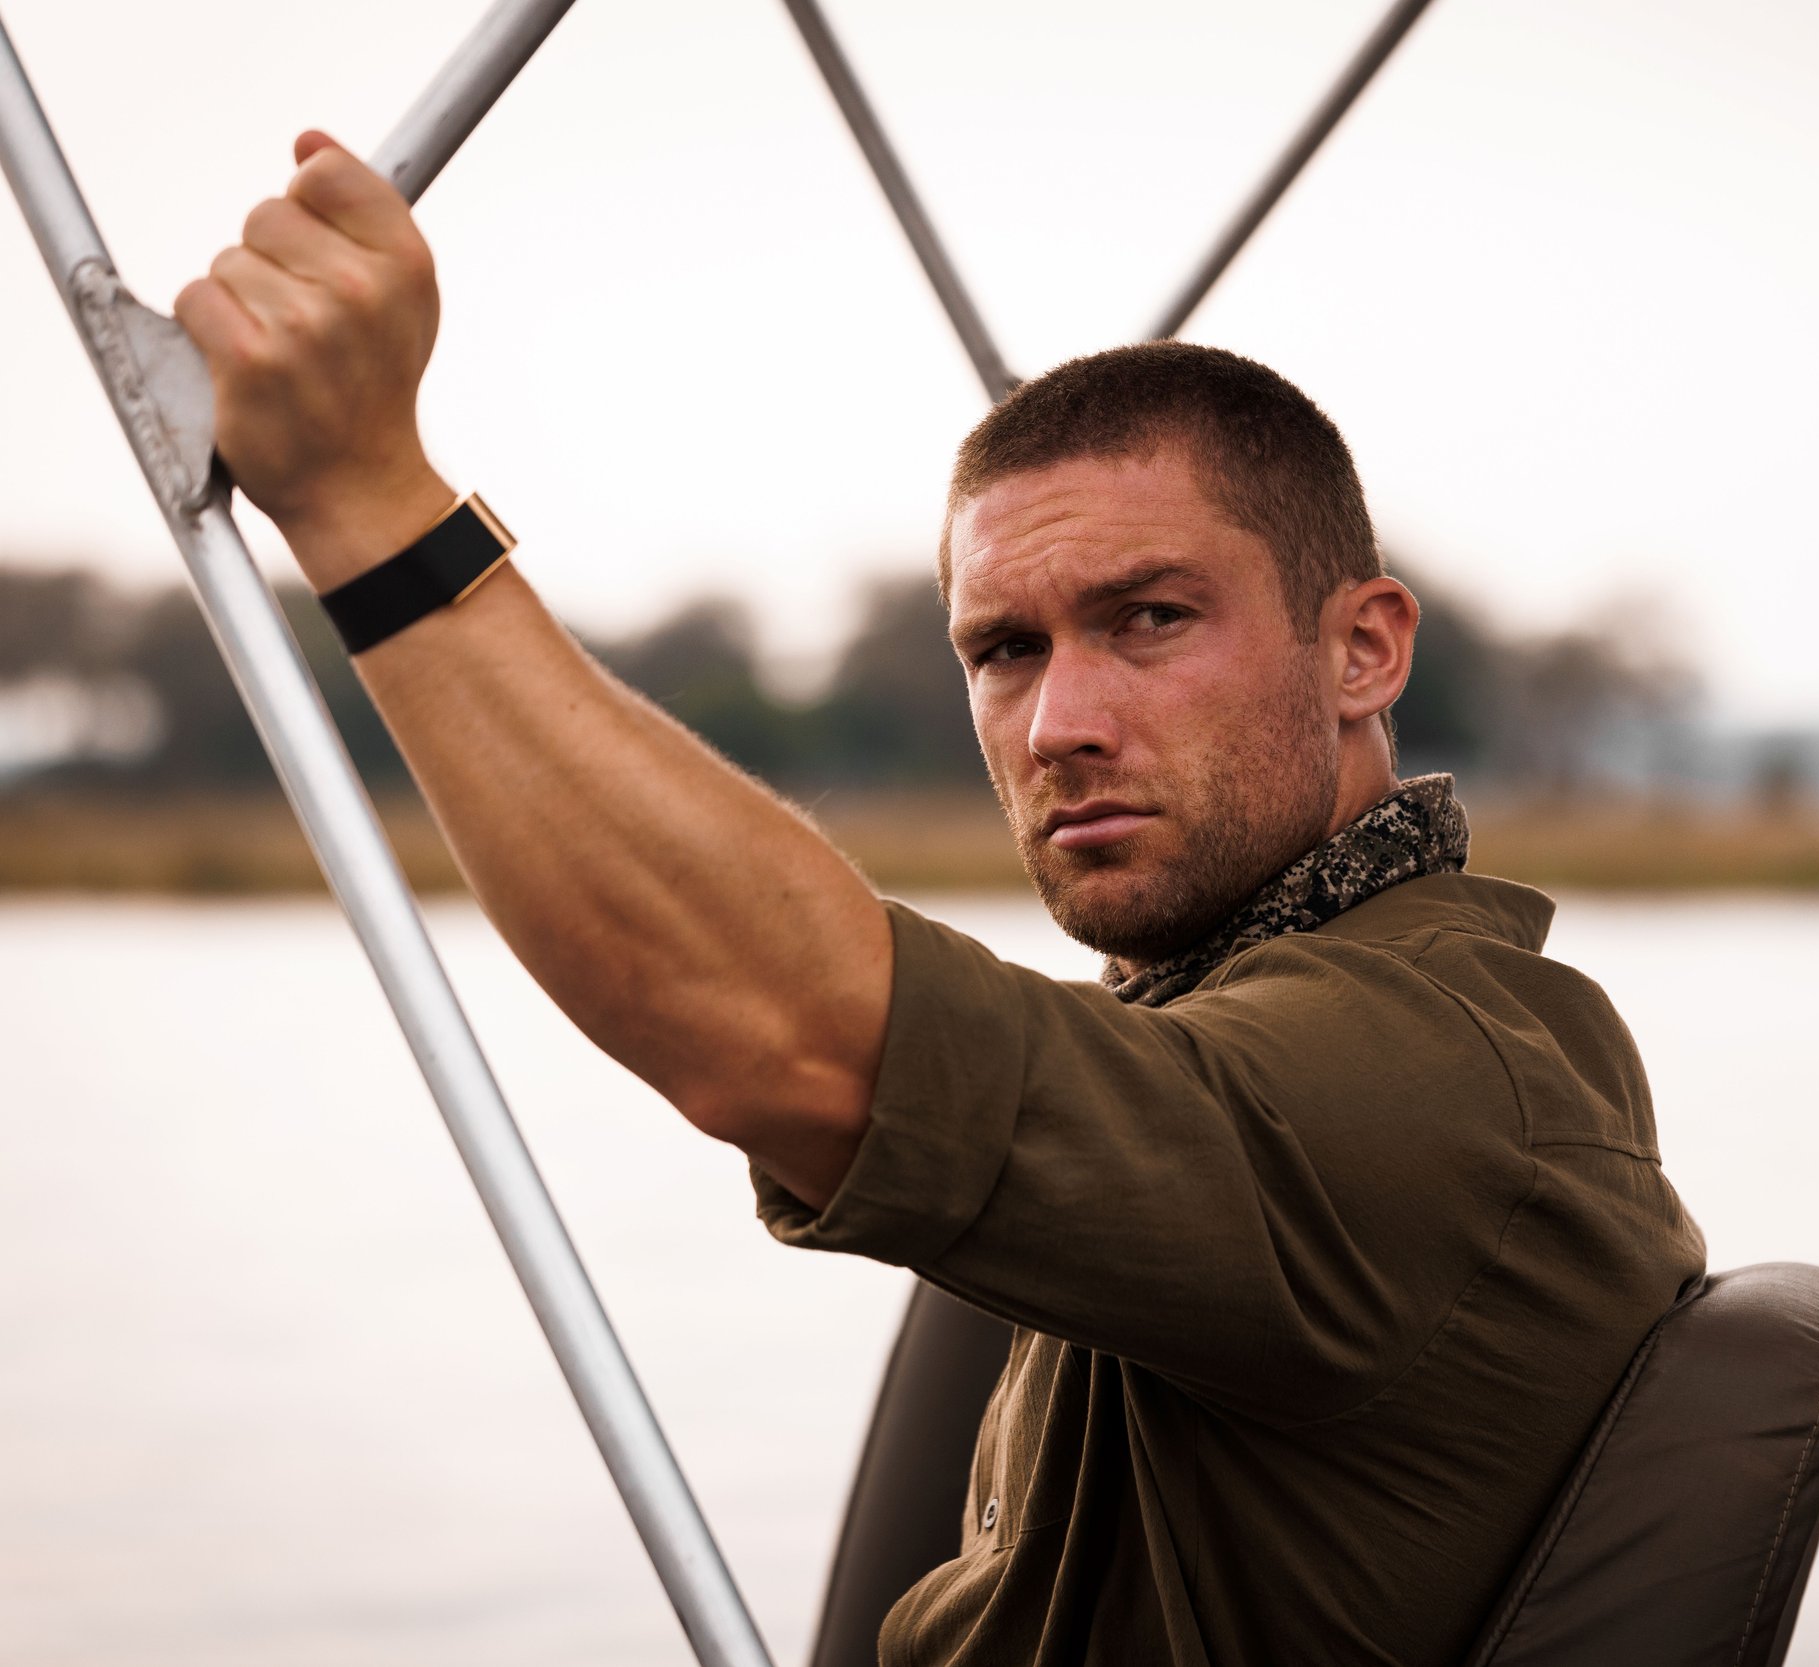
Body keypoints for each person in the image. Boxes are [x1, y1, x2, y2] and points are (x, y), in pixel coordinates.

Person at [176, 132, 1708, 1666]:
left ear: (1363, 649)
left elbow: (793, 1040)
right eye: (1006, 650)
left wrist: (368, 498)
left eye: (1151, 618)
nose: (1059, 725)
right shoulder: (1232, 1023)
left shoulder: (1432, 1070)